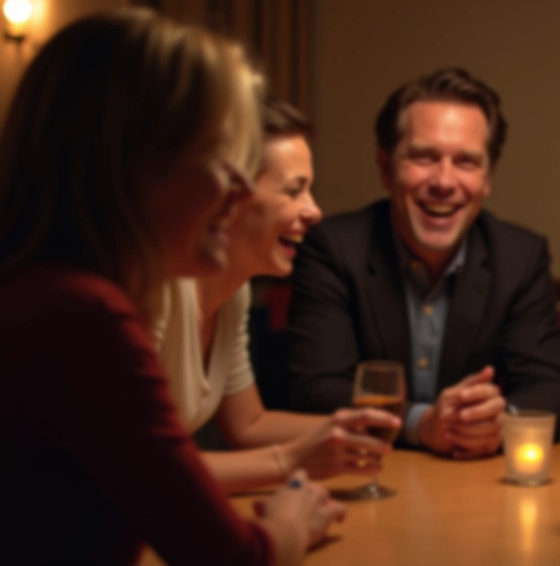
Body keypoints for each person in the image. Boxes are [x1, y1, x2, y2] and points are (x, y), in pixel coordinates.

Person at [0, 9, 344, 566]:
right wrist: (290, 522)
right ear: (130, 164)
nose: (239, 187)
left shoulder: (54, 295)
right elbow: (228, 556)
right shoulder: (82, 317)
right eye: (218, 156)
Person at [287, 67, 560, 458]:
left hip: (472, 493)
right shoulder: (333, 248)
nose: (443, 180)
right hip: (362, 477)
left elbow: (551, 387)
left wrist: (500, 422)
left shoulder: (520, 257)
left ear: (488, 178)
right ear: (385, 168)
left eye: (466, 162)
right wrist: (419, 424)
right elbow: (314, 389)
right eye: (424, 157)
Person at [155, 98, 400, 494]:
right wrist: (287, 462)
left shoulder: (233, 294)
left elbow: (248, 424)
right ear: (226, 193)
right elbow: (135, 469)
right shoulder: (155, 290)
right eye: (294, 191)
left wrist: (372, 428)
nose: (315, 211)